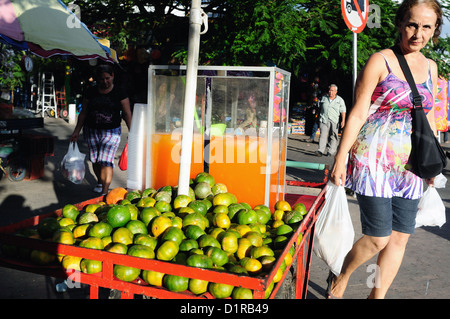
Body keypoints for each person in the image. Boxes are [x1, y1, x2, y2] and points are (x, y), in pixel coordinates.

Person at [328, 0, 442, 299]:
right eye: (412, 24)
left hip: (411, 166)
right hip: (372, 160)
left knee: (400, 238)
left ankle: (376, 297)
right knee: (378, 237)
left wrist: (433, 161)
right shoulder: (381, 60)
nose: (418, 33)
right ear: (400, 23)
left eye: (426, 26)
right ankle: (343, 276)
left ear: (435, 30)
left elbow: (428, 118)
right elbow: (357, 112)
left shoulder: (432, 67)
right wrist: (340, 159)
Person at [70, 64, 132, 195]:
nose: (105, 81)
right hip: (91, 130)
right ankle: (100, 181)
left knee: (106, 161)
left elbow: (127, 113)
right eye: (102, 79)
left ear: (113, 76)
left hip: (112, 131)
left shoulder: (119, 92)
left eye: (107, 78)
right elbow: (84, 112)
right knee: (95, 160)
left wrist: (132, 132)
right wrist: (76, 131)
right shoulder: (90, 92)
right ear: (97, 79)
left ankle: (104, 191)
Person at [316, 84, 346, 156]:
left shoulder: (340, 100)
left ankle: (331, 151)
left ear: (336, 92)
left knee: (333, 136)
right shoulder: (324, 98)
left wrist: (343, 120)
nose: (330, 92)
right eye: (329, 90)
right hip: (324, 119)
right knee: (322, 135)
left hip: (334, 120)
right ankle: (320, 151)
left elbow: (343, 111)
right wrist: (317, 117)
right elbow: (320, 108)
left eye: (332, 91)